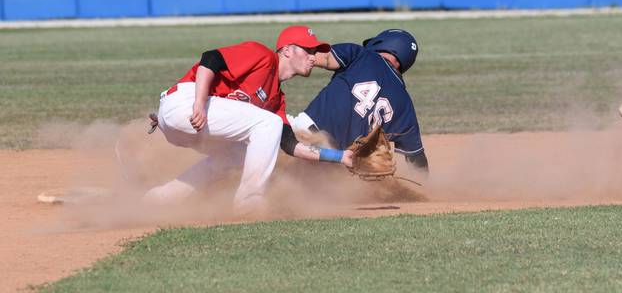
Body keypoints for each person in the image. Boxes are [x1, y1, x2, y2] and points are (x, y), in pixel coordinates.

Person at [143, 26, 353, 213]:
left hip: (189, 123)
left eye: (315, 52)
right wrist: (198, 103)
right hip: (187, 103)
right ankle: (249, 202)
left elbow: (291, 146)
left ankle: (160, 199)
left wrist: (340, 157)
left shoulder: (276, 100)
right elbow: (210, 59)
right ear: (287, 50)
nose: (313, 57)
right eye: (308, 50)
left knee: (237, 154)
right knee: (269, 123)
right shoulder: (262, 56)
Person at [289, 29, 429, 175]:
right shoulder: (405, 104)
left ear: (381, 43)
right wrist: (426, 191)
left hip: (306, 134)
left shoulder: (362, 55)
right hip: (339, 161)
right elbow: (416, 157)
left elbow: (323, 58)